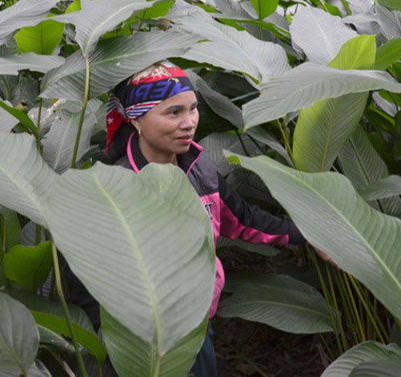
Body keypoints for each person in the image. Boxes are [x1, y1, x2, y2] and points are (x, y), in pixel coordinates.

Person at [66, 62, 318, 376]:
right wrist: (106, 341)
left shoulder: (200, 170)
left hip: (198, 329)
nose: (189, 123)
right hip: (137, 344)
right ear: (137, 120)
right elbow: (81, 277)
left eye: (193, 109)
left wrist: (314, 236)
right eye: (173, 113)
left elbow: (244, 220)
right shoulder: (114, 187)